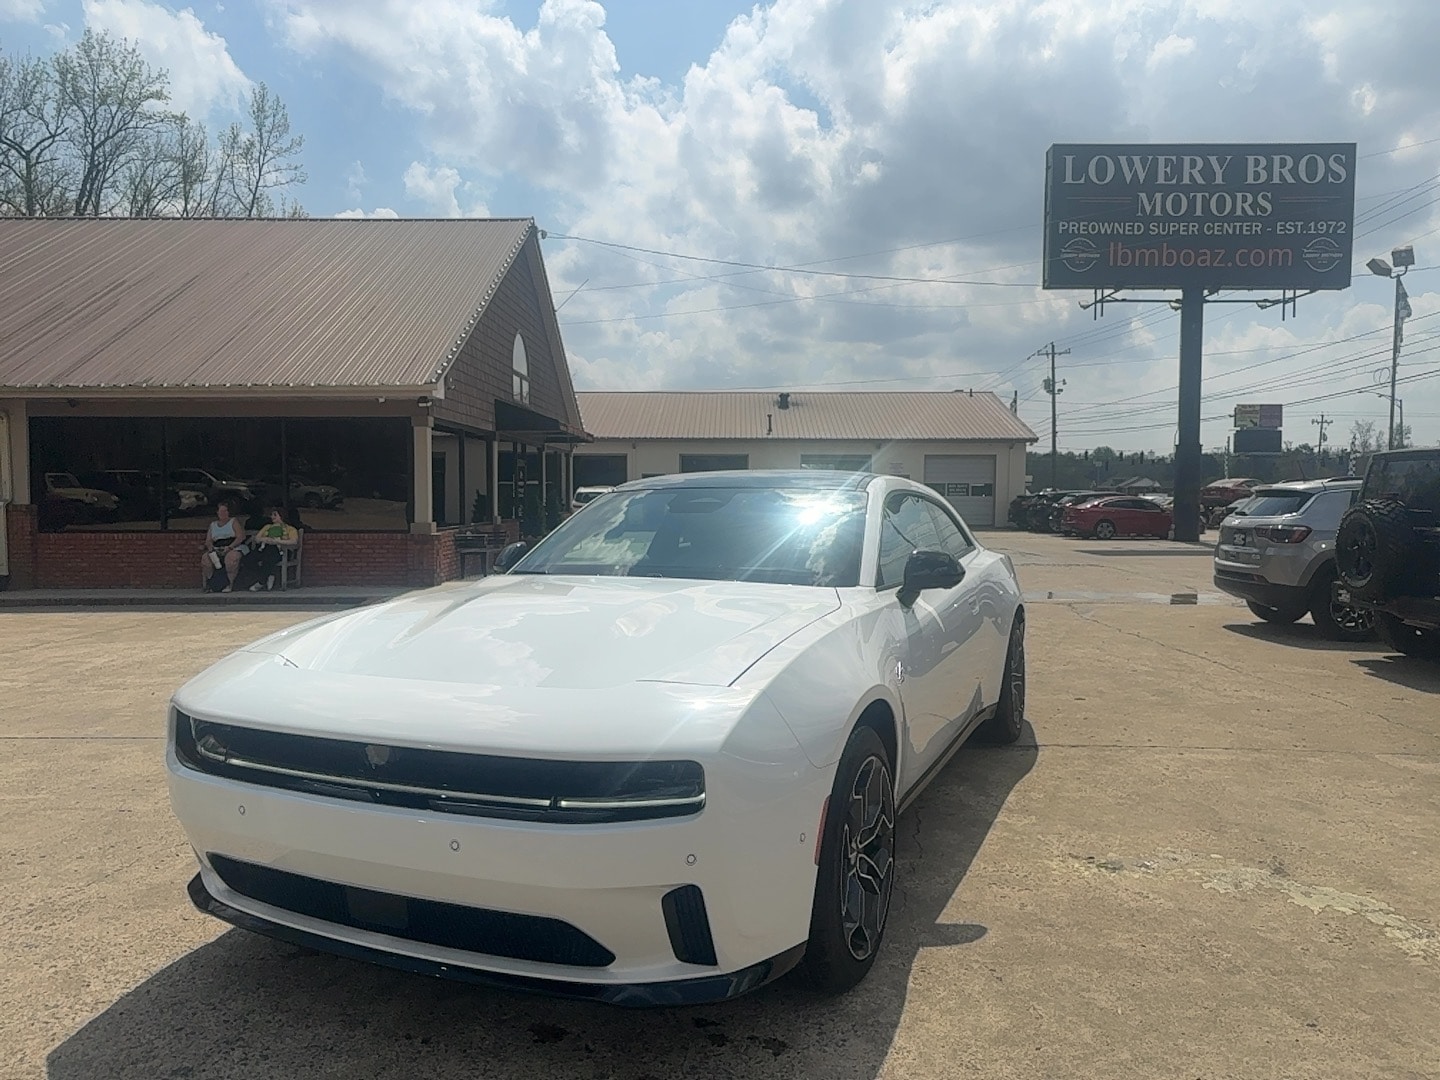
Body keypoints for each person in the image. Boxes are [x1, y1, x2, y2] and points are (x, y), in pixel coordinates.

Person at [242, 507, 300, 591]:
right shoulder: (267, 527)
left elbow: (294, 541)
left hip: (281, 551)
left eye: (275, 515)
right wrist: (265, 539)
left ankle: (261, 582)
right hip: (265, 547)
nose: (272, 517)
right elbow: (257, 538)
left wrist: (278, 541)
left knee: (268, 558)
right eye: (272, 515)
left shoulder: (290, 529)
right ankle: (268, 575)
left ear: (281, 516)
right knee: (248, 559)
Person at [201, 500, 247, 593]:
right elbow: (208, 540)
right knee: (206, 559)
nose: (222, 513)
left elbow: (240, 537)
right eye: (220, 511)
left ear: (228, 512)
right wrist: (211, 549)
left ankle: (229, 584)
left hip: (233, 546)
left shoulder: (233, 522)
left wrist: (229, 547)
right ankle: (213, 584)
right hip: (217, 547)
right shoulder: (213, 525)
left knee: (231, 559)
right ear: (217, 512)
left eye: (225, 511)